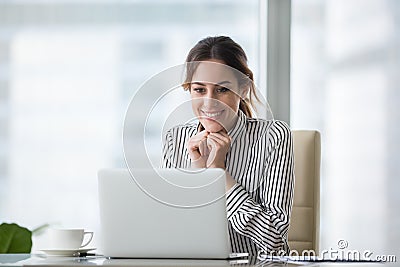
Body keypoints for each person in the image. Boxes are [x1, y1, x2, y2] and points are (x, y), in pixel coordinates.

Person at [162, 36, 294, 256]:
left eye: (222, 90)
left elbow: (275, 241)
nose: (209, 102)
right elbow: (170, 231)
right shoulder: (175, 139)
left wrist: (219, 174)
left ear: (243, 89)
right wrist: (197, 174)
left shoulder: (273, 136)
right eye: (199, 90)